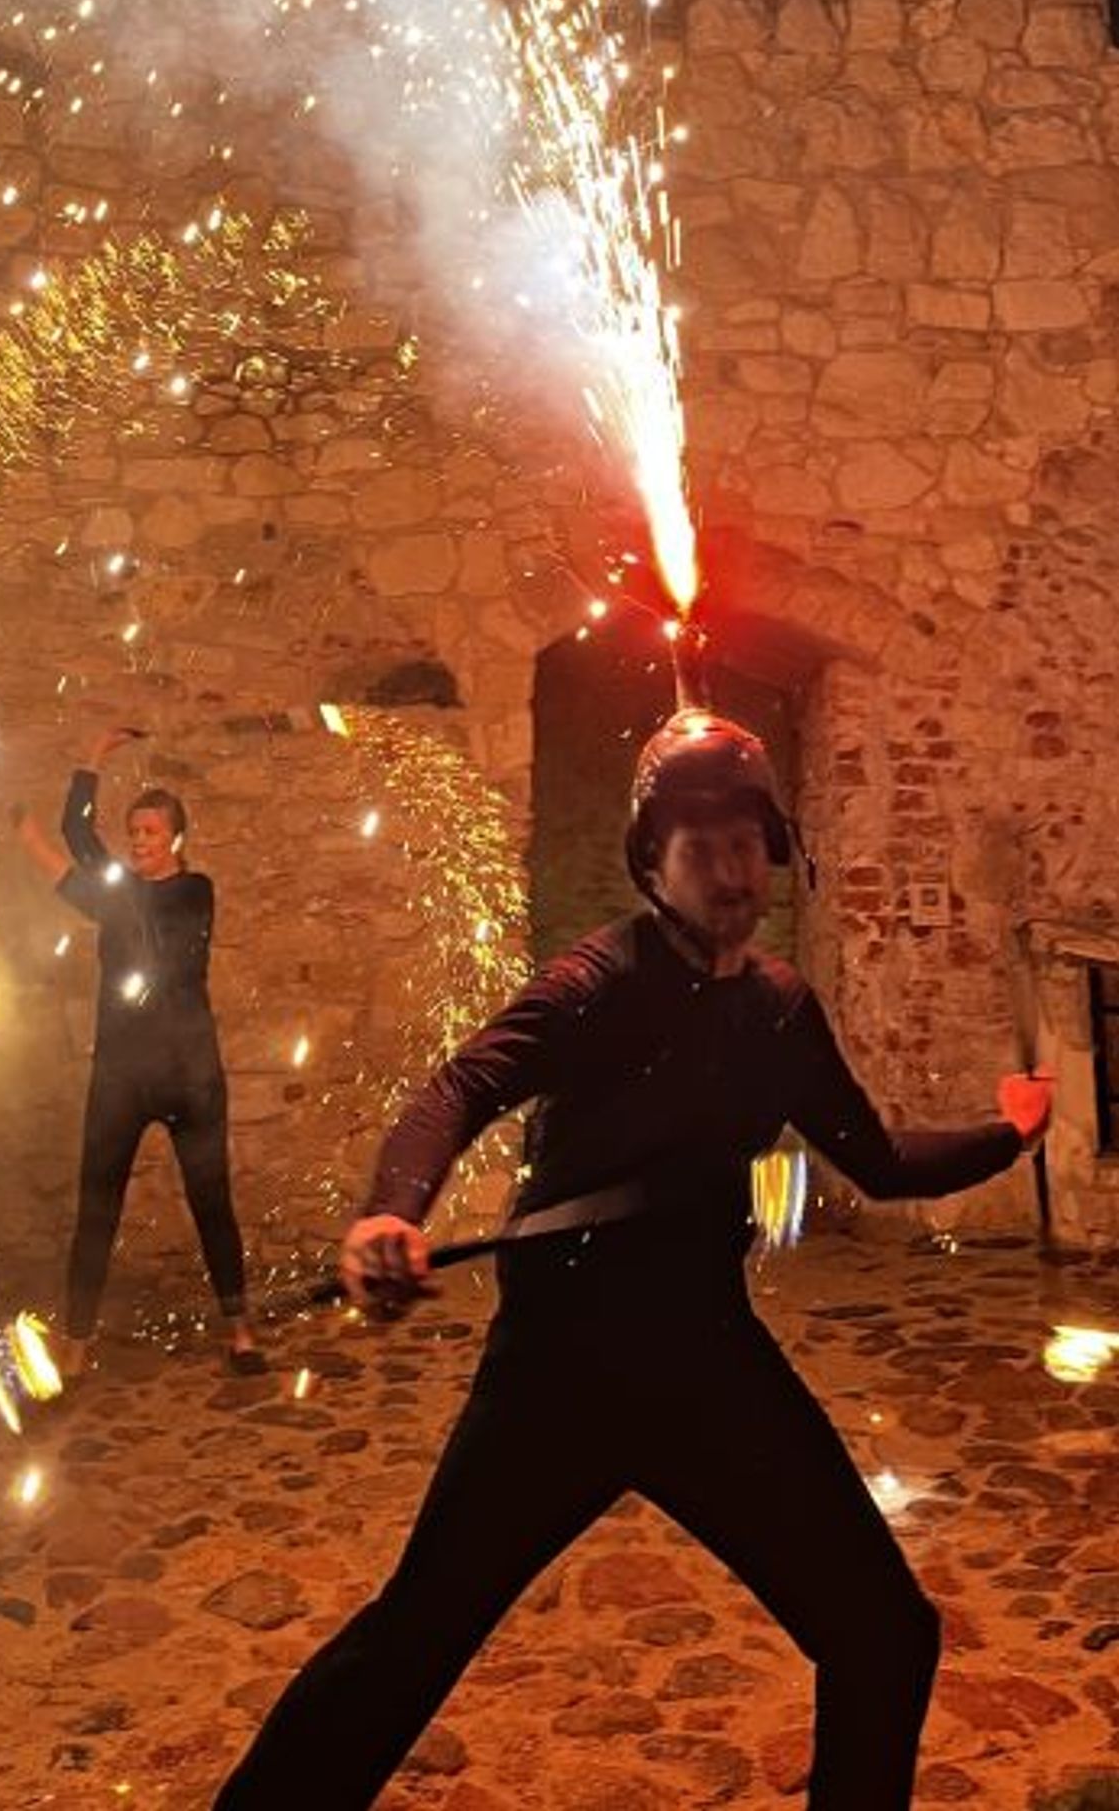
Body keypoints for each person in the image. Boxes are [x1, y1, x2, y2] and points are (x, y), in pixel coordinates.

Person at [213, 705, 1053, 1811]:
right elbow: (461, 1086)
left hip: (706, 1364)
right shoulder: (595, 982)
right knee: (413, 1637)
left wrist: (1008, 1131)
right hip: (557, 1374)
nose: (731, 870)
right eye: (701, 845)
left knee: (884, 1632)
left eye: (746, 842)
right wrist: (390, 1211)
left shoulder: (780, 1010)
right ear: (653, 861)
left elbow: (879, 1160)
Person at [17, 723, 266, 1377]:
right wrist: (90, 757)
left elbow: (86, 862)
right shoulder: (118, 900)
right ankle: (76, 1343)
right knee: (96, 1208)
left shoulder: (194, 891)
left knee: (211, 1200)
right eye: (133, 831)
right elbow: (73, 847)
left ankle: (241, 1332)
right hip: (121, 1078)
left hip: (189, 1075)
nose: (138, 840)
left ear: (176, 839)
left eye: (150, 831)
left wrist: (58, 843)